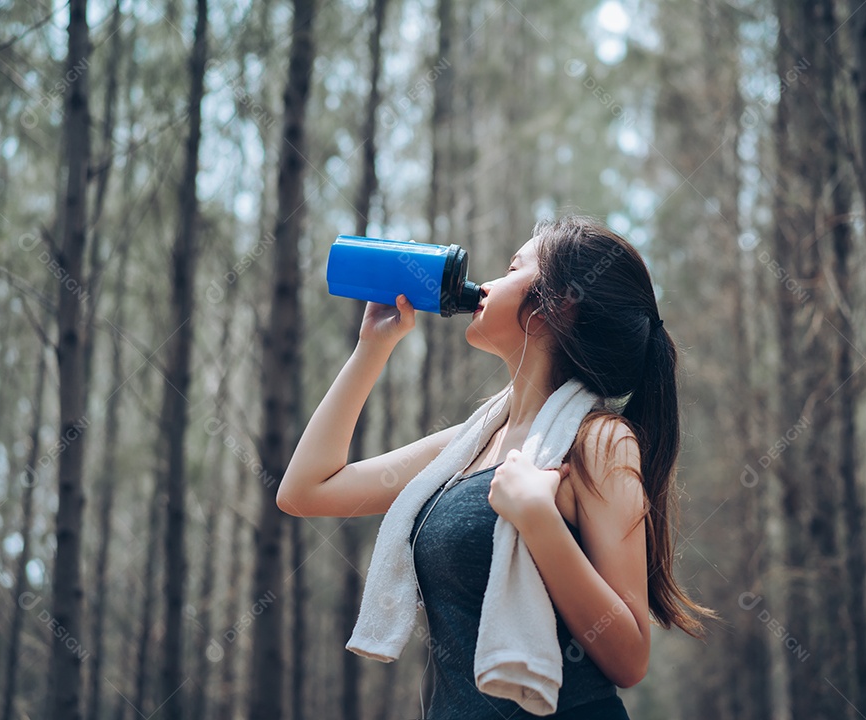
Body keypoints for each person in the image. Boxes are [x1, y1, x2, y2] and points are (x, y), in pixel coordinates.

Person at [277, 216, 716, 719]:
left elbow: (630, 658)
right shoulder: (468, 444)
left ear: (559, 303)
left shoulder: (598, 441)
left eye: (511, 268)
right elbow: (305, 490)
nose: (484, 284)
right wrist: (371, 349)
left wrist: (538, 518)